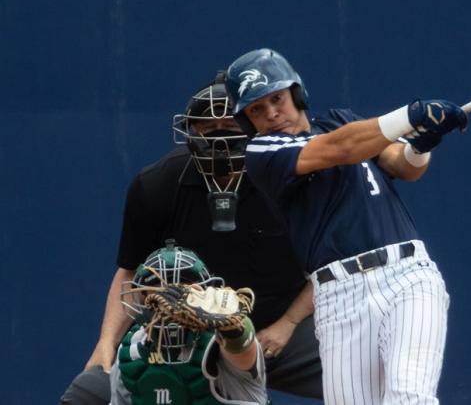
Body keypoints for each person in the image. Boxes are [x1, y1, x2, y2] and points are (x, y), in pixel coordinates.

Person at [60, 75, 324, 404]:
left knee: (366, 375)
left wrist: (288, 323)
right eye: (208, 129)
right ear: (190, 132)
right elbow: (129, 273)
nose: (219, 140)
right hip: (187, 332)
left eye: (230, 126)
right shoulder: (158, 184)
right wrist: (106, 343)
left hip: (285, 327)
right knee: (89, 393)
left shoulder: (289, 178)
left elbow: (328, 267)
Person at [224, 49, 467, 405]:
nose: (271, 113)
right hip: (338, 298)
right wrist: (411, 115)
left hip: (406, 277)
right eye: (256, 109)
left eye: (277, 98)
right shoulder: (263, 152)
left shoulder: (342, 120)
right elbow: (341, 148)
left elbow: (405, 167)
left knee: (408, 398)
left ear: (297, 93)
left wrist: (421, 144)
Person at [111, 242, 267, 404]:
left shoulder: (220, 341)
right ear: (144, 296)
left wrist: (231, 328)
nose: (169, 297)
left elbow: (243, 353)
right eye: (158, 287)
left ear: (203, 293)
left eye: (180, 288)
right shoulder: (131, 349)